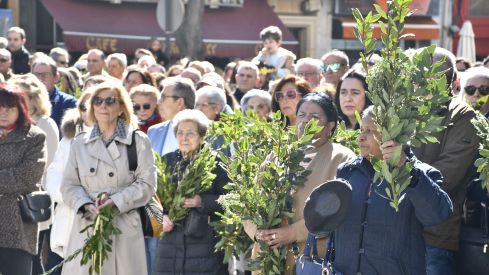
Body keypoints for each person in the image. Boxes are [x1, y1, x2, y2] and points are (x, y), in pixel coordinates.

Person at [331, 106, 453, 275]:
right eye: (361, 130)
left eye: (369, 131)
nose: (360, 138)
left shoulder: (421, 174)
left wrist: (407, 171)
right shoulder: (347, 171)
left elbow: (438, 214)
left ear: (392, 134)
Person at [248, 93, 356, 275]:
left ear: (330, 126)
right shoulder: (278, 154)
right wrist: (257, 231)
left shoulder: (342, 158)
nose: (306, 121)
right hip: (269, 259)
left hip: (312, 260)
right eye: (301, 115)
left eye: (315, 117)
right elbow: (251, 202)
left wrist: (292, 232)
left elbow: (338, 212)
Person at [60, 81, 156, 275]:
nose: (103, 105)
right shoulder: (79, 142)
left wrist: (116, 201)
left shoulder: (138, 140)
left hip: (124, 224)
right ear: (92, 107)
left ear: (121, 108)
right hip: (87, 224)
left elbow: (147, 185)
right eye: (97, 100)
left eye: (110, 100)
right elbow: (69, 185)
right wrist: (86, 204)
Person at [412, 47, 480, 275]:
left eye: (435, 75)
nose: (425, 81)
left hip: (433, 237)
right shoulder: (403, 113)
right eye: (419, 74)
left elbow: (443, 179)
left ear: (452, 80)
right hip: (391, 234)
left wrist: (400, 179)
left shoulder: (464, 116)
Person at [152, 109, 230, 275]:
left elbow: (231, 200)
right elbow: (152, 198)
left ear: (202, 136)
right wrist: (162, 216)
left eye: (190, 133)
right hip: (169, 246)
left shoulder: (215, 163)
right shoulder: (166, 161)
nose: (184, 138)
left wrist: (203, 202)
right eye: (180, 132)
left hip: (205, 246)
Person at [0, 84, 47, 275]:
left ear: (20, 110)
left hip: (17, 223)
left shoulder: (34, 137)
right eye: (0, 107)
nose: (4, 113)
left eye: (10, 108)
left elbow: (27, 176)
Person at [44, 91, 93, 275]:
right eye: (82, 107)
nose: (87, 111)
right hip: (68, 216)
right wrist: (75, 199)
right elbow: (54, 176)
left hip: (100, 216)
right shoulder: (69, 138)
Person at [148, 77, 195, 157]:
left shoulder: (206, 133)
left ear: (180, 103)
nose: (159, 102)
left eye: (163, 97)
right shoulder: (154, 132)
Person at [31, 56, 77, 127]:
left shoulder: (68, 103)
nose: (40, 79)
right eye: (36, 75)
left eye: (45, 75)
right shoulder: (24, 101)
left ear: (56, 77)